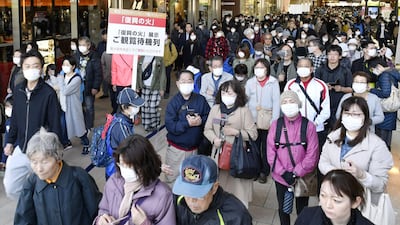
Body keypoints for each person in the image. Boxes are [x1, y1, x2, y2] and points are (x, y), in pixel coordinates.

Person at [3, 50, 62, 200]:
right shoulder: (19, 89)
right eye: (27, 66)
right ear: (22, 68)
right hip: (21, 147)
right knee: (11, 186)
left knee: (47, 189)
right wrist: (10, 141)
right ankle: (30, 204)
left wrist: (55, 152)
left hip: (41, 151)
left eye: (35, 66)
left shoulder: (48, 93)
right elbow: (15, 117)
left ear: (41, 68)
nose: (31, 69)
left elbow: (55, 124)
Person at [14, 128, 102, 225]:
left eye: (44, 162)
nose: (39, 169)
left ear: (58, 158)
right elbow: (23, 220)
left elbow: (97, 212)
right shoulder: (31, 184)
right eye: (34, 162)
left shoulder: (79, 177)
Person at [319, 96, 393, 204]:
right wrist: (337, 173)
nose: (351, 117)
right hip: (331, 200)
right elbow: (323, 162)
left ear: (365, 117)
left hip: (359, 203)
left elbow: (380, 184)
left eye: (357, 114)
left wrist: (362, 175)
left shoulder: (377, 145)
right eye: (347, 113)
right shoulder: (333, 137)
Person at [95, 134, 176, 225]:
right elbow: (103, 209)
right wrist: (100, 220)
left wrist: (144, 223)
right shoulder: (113, 182)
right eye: (122, 164)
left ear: (145, 165)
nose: (125, 170)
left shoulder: (163, 195)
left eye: (131, 166)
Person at [267, 90, 319, 225]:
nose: (288, 105)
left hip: (302, 177)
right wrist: (283, 173)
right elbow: (271, 153)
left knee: (303, 209)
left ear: (298, 104)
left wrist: (296, 172)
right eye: (284, 102)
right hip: (280, 177)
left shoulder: (309, 126)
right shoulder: (275, 125)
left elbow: (312, 155)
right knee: (283, 208)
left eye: (292, 101)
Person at [204, 80, 258, 207]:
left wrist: (236, 132)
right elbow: (207, 129)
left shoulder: (243, 111)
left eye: (229, 93)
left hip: (238, 155)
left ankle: (240, 211)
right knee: (220, 186)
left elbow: (253, 134)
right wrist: (214, 139)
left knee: (239, 188)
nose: (225, 96)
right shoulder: (216, 109)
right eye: (223, 92)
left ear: (237, 95)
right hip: (219, 154)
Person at [172, 155, 252, 225]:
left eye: (199, 195)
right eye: (188, 192)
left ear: (214, 188)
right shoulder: (178, 199)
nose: (192, 201)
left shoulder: (236, 216)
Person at [164, 70, 210, 183]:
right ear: (178, 84)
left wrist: (201, 121)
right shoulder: (173, 103)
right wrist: (187, 124)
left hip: (195, 150)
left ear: (193, 82)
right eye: (183, 81)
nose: (186, 84)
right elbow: (171, 126)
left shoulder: (201, 100)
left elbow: (209, 117)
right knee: (172, 180)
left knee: (192, 180)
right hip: (176, 151)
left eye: (189, 81)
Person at [245, 58, 280, 183]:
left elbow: (276, 103)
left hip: (267, 118)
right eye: (257, 67)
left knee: (266, 147)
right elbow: (245, 102)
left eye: (262, 67)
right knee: (253, 146)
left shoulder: (273, 82)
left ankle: (264, 171)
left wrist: (274, 121)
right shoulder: (250, 83)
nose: (259, 70)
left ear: (267, 69)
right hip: (252, 119)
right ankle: (255, 169)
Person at [295, 169, 374, 225]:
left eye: (336, 200)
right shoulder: (306, 217)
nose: (328, 205)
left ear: (355, 202)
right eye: (323, 195)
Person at [284, 58, 330, 153]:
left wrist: (315, 123)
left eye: (306, 66)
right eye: (300, 66)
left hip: (316, 129)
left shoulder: (320, 85)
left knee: (315, 156)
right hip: (295, 129)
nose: (302, 68)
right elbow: (285, 106)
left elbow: (326, 110)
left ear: (312, 69)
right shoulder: (291, 85)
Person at [105, 88, 145, 179]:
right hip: (117, 173)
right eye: (134, 105)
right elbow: (131, 151)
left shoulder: (118, 118)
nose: (137, 108)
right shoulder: (121, 127)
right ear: (124, 107)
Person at [314, 44, 353, 129]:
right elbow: (314, 88)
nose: (332, 57)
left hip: (339, 105)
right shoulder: (319, 70)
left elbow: (351, 89)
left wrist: (341, 89)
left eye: (335, 54)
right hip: (322, 105)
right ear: (327, 55)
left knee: (337, 130)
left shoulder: (346, 71)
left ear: (340, 56)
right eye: (330, 54)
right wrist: (324, 87)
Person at [59, 56, 90, 154]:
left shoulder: (76, 78)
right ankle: (67, 142)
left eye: (67, 65)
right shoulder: (63, 76)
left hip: (73, 107)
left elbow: (65, 91)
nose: (64, 67)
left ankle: (86, 143)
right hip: (63, 106)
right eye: (63, 64)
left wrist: (59, 81)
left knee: (78, 127)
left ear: (73, 66)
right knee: (64, 126)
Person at [75, 36, 103, 130]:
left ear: (88, 45)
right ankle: (81, 123)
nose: (81, 47)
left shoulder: (94, 56)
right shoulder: (77, 55)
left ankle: (89, 125)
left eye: (83, 45)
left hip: (89, 86)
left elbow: (98, 73)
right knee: (79, 106)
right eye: (80, 45)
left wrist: (95, 87)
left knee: (89, 107)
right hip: (78, 86)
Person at [369, 66, 399, 150]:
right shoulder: (393, 74)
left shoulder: (384, 75)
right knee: (386, 139)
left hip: (385, 110)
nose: (375, 69)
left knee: (381, 139)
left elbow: (385, 93)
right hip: (390, 110)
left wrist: (371, 89)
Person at [136, 55, 166, 131]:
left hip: (156, 86)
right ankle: (147, 125)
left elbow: (162, 73)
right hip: (144, 86)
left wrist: (162, 88)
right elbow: (137, 72)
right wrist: (137, 85)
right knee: (145, 107)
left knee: (153, 107)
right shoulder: (141, 58)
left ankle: (155, 124)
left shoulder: (159, 58)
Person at [163, 34, 178, 99]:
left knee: (167, 77)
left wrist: (169, 62)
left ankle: (167, 92)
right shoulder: (158, 43)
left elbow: (175, 54)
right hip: (159, 64)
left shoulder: (170, 44)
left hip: (167, 64)